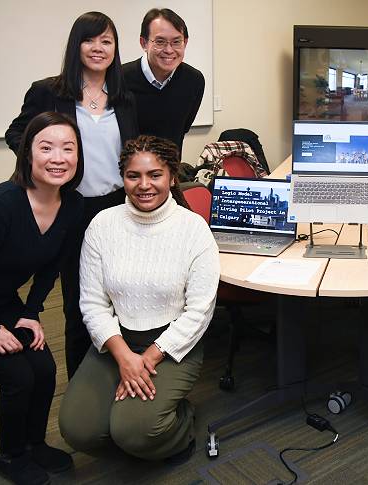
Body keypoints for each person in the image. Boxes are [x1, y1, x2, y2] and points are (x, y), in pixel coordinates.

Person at [58, 135, 220, 464]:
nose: (144, 185)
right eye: (134, 176)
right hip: (116, 340)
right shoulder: (102, 225)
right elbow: (91, 303)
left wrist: (146, 359)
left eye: (155, 175)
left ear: (172, 177)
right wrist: (123, 358)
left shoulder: (194, 230)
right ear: (123, 178)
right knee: (77, 430)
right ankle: (133, 425)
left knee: (135, 432)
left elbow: (199, 311)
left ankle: (181, 425)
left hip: (172, 344)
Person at [5, 12, 139, 378]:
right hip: (75, 208)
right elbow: (17, 134)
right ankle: (82, 384)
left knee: (122, 296)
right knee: (80, 303)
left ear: (115, 48)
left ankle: (120, 371)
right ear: (76, 45)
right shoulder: (50, 91)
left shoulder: (124, 97)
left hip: (118, 208)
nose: (98, 48)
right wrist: (51, 168)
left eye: (107, 41)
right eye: (90, 40)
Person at [0, 112, 84, 485]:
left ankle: (33, 443)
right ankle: (10, 455)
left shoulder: (73, 205)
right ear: (28, 154)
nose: (58, 157)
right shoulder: (1, 204)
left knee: (44, 368)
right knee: (18, 376)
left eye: (68, 148)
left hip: (0, 300)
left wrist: (31, 313)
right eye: (46, 147)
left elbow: (53, 267)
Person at [122, 8, 205, 155]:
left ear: (185, 43)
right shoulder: (120, 78)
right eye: (160, 42)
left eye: (176, 42)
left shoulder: (194, 81)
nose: (169, 50)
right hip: (128, 173)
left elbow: (182, 129)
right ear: (144, 43)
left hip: (170, 173)